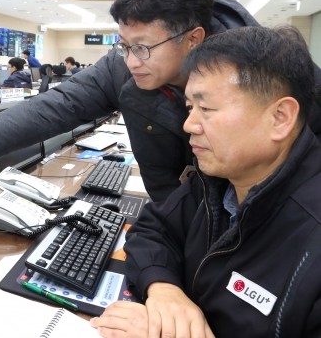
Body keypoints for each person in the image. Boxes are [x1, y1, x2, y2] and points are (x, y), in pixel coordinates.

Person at [0, 0, 321, 202]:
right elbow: (58, 105)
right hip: (178, 214)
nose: (131, 60)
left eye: (143, 46)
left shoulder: (274, 71)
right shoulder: (128, 66)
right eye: (123, 45)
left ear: (194, 38)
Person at [90, 26, 321, 338]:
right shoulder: (216, 181)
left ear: (280, 117)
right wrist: (165, 292)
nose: (189, 124)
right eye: (189, 107)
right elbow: (153, 230)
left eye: (207, 109)